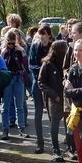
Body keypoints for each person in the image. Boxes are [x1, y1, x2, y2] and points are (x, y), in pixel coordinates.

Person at [38, 40, 69, 162]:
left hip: (67, 99)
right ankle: (56, 150)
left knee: (69, 124)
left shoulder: (67, 64)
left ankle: (71, 149)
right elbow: (41, 83)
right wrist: (53, 95)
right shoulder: (47, 64)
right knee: (55, 125)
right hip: (55, 99)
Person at [0, 31, 29, 140]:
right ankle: (5, 130)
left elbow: (25, 66)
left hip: (18, 78)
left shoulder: (20, 50)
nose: (11, 45)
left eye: (13, 43)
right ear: (6, 42)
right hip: (7, 79)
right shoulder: (2, 51)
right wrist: (3, 53)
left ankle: (22, 128)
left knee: (19, 105)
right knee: (5, 106)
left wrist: (20, 52)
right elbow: (0, 66)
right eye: (9, 43)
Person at [28, 24, 53, 153]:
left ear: (49, 34)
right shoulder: (35, 45)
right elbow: (31, 65)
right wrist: (42, 73)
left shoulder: (54, 47)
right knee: (38, 113)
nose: (42, 36)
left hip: (52, 84)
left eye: (44, 33)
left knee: (52, 114)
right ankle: (40, 143)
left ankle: (56, 146)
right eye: (40, 33)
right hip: (37, 82)